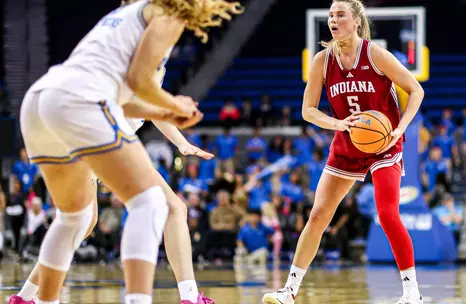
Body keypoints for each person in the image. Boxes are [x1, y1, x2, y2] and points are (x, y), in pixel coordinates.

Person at [14, 1, 242, 304]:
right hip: (84, 109)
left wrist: (177, 135)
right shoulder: (166, 14)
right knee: (154, 204)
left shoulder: (123, 19)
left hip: (42, 101)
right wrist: (177, 105)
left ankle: (29, 299)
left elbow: (129, 101)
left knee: (75, 220)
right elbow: (136, 84)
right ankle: (159, 298)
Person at [263, 1, 424, 303]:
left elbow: (417, 89)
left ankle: (412, 293)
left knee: (388, 213)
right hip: (347, 143)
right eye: (331, 15)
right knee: (318, 215)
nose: (334, 20)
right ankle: (289, 291)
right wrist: (337, 123)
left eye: (341, 15)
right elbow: (308, 110)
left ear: (357, 21)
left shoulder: (376, 55)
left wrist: (400, 128)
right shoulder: (322, 61)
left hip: (383, 144)